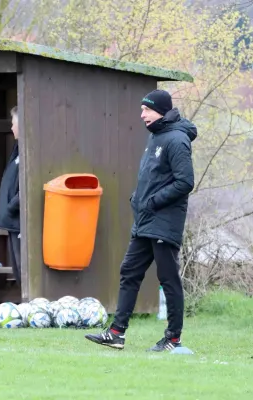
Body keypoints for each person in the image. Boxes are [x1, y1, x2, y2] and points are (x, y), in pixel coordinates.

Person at [85, 89, 197, 351]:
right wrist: (138, 199)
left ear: (160, 110)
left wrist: (153, 201)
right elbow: (153, 177)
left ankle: (173, 339)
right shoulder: (156, 137)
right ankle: (116, 333)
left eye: (146, 109)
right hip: (146, 221)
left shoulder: (177, 140)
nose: (142, 114)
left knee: (168, 278)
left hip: (164, 222)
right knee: (129, 272)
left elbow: (185, 182)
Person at [0, 106, 21, 285]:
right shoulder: (18, 149)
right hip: (12, 221)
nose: (11, 128)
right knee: (18, 270)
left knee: (22, 269)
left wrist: (11, 207)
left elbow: (28, 186)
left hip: (19, 221)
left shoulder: (28, 150)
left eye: (13, 123)